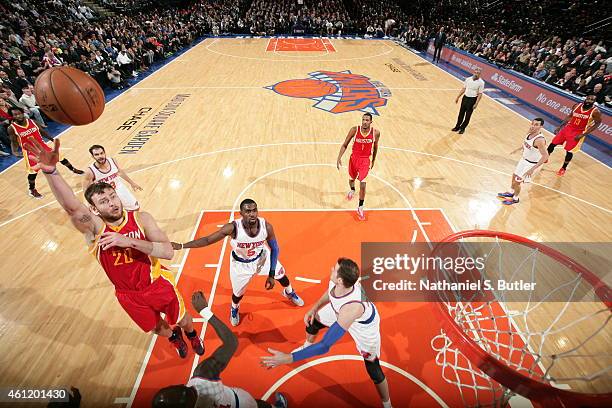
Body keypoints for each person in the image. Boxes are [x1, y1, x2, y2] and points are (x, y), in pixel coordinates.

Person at [28, 138, 203, 359]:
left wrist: (129, 241)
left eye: (113, 197)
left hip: (156, 282)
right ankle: (173, 338)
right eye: (104, 202)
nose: (112, 203)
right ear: (94, 209)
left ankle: (192, 334)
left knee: (182, 318)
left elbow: (167, 252)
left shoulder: (141, 218)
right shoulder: (95, 230)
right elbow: (72, 207)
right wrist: (52, 172)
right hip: (128, 295)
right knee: (156, 327)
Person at [261, 258, 392, 408]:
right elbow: (330, 293)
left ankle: (387, 404)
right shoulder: (340, 283)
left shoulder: (353, 307)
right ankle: (306, 346)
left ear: (341, 280)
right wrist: (314, 308)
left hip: (363, 327)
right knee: (313, 322)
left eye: (334, 269)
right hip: (339, 311)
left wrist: (289, 358)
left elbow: (325, 345)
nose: (331, 269)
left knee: (373, 368)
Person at [171, 199, 304, 326]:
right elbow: (207, 240)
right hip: (240, 265)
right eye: (248, 211)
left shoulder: (266, 226)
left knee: (282, 276)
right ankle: (234, 308)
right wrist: (182, 246)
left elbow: (275, 248)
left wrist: (271, 273)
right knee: (238, 293)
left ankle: (289, 292)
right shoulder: (232, 228)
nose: (252, 214)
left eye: (254, 210)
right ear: (241, 214)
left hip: (262, 257)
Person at [153, 291, 288, 408]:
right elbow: (231, 342)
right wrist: (205, 311)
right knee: (256, 405)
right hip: (240, 402)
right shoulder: (203, 375)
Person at [8, 107, 83, 199]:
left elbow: (41, 131)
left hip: (42, 146)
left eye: (19, 113)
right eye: (15, 115)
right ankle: (32, 190)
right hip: (30, 151)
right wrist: (14, 151)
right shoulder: (12, 128)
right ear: (12, 117)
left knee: (60, 158)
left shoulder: (32, 121)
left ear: (23, 113)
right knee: (33, 172)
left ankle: (73, 169)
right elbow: (13, 141)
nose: (18, 116)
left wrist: (51, 138)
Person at [336, 113, 380, 221]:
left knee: (363, 184)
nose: (365, 122)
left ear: (371, 122)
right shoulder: (354, 130)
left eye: (367, 120)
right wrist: (339, 157)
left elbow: (375, 147)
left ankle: (360, 207)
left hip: (365, 160)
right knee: (351, 179)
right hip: (354, 159)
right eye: (363, 119)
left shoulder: (376, 133)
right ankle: (352, 189)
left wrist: (373, 160)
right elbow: (345, 144)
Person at [547, 94, 602, 176]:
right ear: (585, 98)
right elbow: (570, 116)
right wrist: (560, 126)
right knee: (553, 143)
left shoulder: (596, 112)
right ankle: (545, 158)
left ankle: (563, 168)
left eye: (591, 100)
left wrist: (583, 134)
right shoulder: (577, 105)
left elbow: (597, 123)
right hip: (568, 128)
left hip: (578, 133)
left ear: (594, 102)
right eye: (588, 98)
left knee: (569, 151)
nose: (589, 100)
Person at [497, 118, 548, 205]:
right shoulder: (529, 132)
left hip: (531, 164)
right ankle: (510, 192)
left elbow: (545, 156)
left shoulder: (539, 140)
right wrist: (518, 149)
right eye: (532, 123)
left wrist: (532, 169)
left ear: (541, 127)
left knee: (517, 182)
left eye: (536, 125)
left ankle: (515, 198)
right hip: (523, 160)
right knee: (514, 176)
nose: (533, 126)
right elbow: (526, 143)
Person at [83, 144, 141, 210]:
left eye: (101, 153)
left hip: (119, 189)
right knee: (113, 216)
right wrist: (89, 203)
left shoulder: (113, 161)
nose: (100, 156)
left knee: (136, 208)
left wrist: (132, 183)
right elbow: (85, 188)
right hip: (105, 196)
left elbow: (120, 172)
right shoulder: (90, 171)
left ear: (105, 153)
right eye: (96, 154)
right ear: (93, 156)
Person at [452, 67, 485, 134]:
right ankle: (457, 126)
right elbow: (463, 89)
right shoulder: (468, 79)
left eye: (478, 73)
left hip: (472, 100)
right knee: (461, 113)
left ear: (480, 74)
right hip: (465, 98)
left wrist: (476, 103)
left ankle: (463, 128)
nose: (476, 74)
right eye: (475, 72)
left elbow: (480, 94)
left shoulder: (481, 83)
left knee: (468, 115)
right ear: (473, 72)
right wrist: (458, 97)